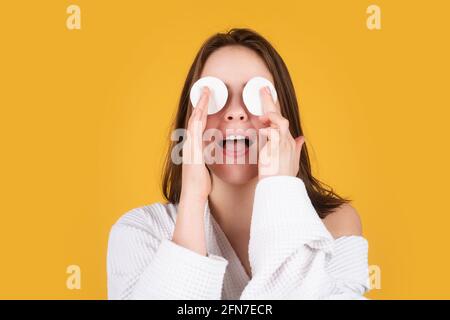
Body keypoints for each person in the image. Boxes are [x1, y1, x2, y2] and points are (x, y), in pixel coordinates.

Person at [106, 28, 370, 300]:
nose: (235, 112)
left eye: (256, 95)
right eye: (213, 96)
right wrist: (192, 199)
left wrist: (280, 190)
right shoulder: (141, 231)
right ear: (190, 122)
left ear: (285, 118)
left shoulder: (334, 225)